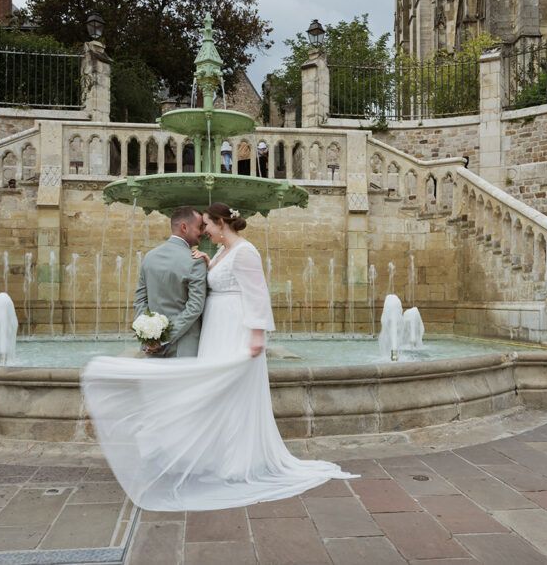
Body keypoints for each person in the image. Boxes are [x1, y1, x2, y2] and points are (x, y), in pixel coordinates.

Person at [81, 202, 356, 511]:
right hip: (216, 327)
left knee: (234, 393)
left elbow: (256, 293)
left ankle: (237, 462)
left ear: (221, 223)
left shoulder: (246, 251)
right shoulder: (223, 253)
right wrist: (210, 262)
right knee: (216, 393)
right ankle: (215, 455)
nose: (205, 232)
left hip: (234, 327)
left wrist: (256, 335)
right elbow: (221, 280)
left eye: (208, 225)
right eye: (202, 227)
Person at [132, 207, 207, 358]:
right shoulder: (196, 261)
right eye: (200, 227)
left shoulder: (149, 257)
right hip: (184, 345)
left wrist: (149, 337)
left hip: (151, 346)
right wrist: (164, 338)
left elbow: (140, 300)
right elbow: (195, 307)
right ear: (184, 227)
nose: (203, 232)